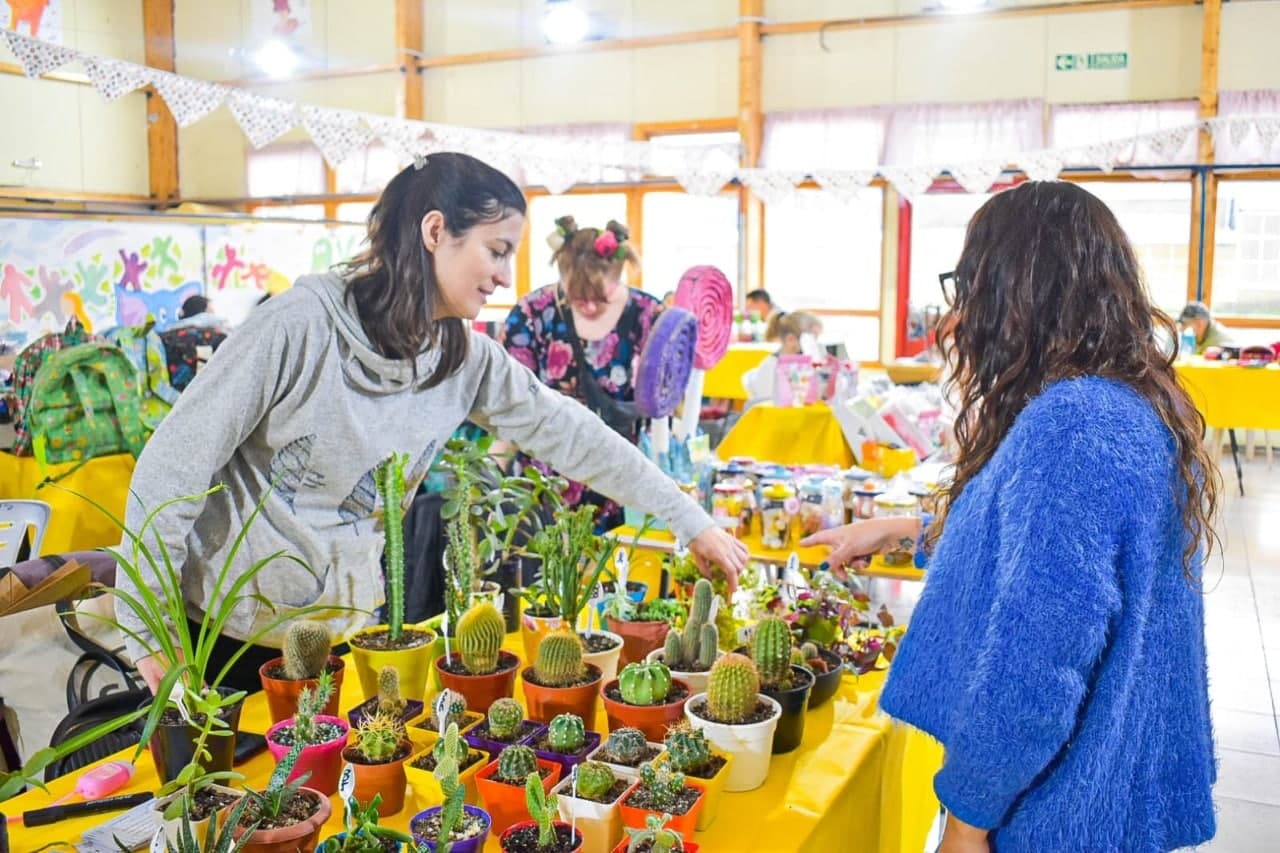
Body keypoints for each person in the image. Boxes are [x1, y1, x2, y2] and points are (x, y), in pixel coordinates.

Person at [120, 154, 747, 695]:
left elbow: (572, 432)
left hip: (348, 634)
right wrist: (148, 633)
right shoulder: (295, 327)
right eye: (496, 251)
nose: (505, 276)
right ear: (435, 230)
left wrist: (688, 520)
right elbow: (174, 465)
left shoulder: (462, 355)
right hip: (225, 640)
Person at [801, 182, 1217, 851]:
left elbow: (1035, 665)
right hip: (1118, 792)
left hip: (1056, 809)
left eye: (968, 285)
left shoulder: (1073, 423)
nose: (959, 314)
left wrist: (967, 820)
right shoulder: (1132, 402)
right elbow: (1038, 545)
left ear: (1018, 294)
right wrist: (903, 529)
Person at [501, 216, 662, 532]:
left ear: (619, 273)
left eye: (601, 298)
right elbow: (509, 398)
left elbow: (667, 398)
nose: (588, 307)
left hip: (618, 478)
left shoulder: (648, 314)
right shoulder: (533, 312)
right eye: (578, 298)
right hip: (544, 482)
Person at [741, 311, 823, 404]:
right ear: (791, 339)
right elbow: (771, 406)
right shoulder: (771, 367)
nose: (815, 347)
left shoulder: (801, 366)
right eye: (813, 340)